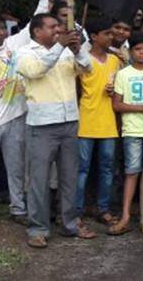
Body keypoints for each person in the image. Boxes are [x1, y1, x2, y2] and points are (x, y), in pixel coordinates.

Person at [17, 13, 97, 247]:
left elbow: (87, 69)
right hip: (41, 126)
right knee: (39, 180)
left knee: (70, 177)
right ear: (36, 32)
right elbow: (35, 71)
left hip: (70, 121)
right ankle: (38, 229)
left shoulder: (65, 50)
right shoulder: (25, 52)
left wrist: (78, 49)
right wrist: (60, 46)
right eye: (52, 27)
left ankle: (70, 225)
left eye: (58, 27)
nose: (57, 30)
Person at [0, 0, 50, 227]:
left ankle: (18, 208)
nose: (1, 33)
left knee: (16, 167)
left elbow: (30, 28)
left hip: (16, 117)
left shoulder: (13, 46)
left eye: (2, 29)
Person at [108, 32, 143, 235]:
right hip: (133, 128)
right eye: (137, 50)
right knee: (132, 171)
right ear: (131, 52)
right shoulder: (124, 74)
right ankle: (125, 215)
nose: (141, 53)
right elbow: (117, 104)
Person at [76, 17, 122, 226]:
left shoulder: (115, 61)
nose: (111, 37)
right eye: (107, 34)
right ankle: (76, 211)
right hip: (86, 119)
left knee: (106, 168)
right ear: (94, 36)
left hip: (108, 122)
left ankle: (103, 208)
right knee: (82, 169)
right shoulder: (82, 60)